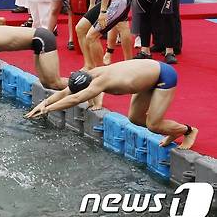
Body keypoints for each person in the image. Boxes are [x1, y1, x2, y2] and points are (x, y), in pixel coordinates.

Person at [25, 59, 198, 150]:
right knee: (135, 118)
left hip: (163, 77)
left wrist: (48, 110)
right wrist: (44, 103)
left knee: (153, 125)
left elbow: (75, 99)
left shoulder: (100, 82)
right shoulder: (90, 75)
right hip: (147, 78)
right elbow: (68, 92)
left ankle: (188, 130)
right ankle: (172, 131)